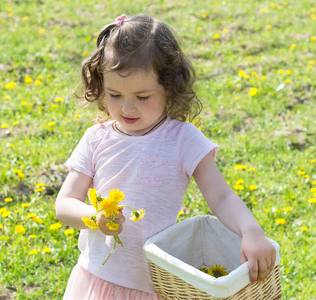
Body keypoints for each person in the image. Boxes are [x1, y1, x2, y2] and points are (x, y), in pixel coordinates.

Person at [55, 14, 276, 299]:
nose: (127, 108)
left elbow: (221, 197)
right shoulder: (97, 139)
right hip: (97, 279)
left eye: (143, 97)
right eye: (114, 95)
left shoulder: (182, 139)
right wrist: (94, 217)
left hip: (155, 285)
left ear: (169, 87)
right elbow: (65, 203)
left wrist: (252, 232)